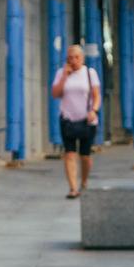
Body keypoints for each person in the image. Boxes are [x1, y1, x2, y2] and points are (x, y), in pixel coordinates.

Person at [51, 44, 101, 198]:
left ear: (82, 58)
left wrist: (94, 110)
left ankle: (84, 181)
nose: (73, 60)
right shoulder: (61, 73)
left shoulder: (89, 73)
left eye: (76, 57)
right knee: (70, 154)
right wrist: (65, 76)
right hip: (67, 119)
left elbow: (96, 95)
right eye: (70, 58)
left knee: (85, 156)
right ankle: (73, 188)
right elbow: (55, 94)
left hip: (86, 120)